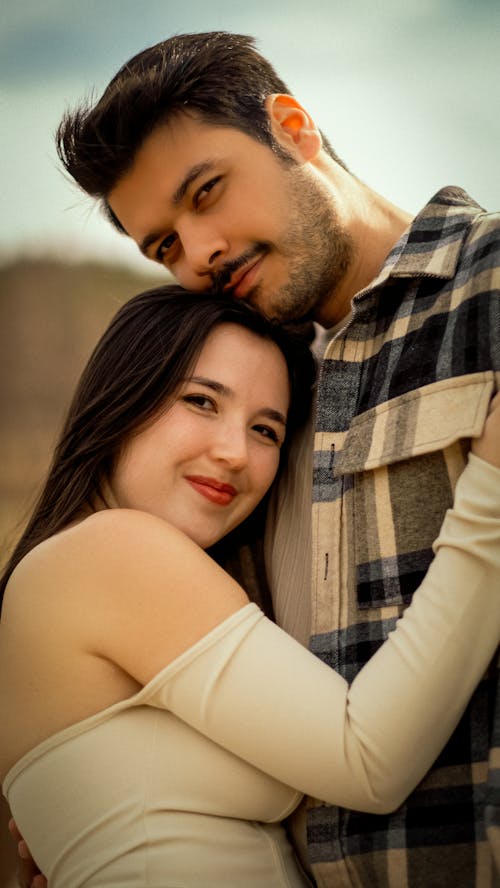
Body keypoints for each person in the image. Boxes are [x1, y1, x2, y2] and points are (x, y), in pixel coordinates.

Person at [16, 31, 500, 886]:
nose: (197, 251)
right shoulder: (267, 393)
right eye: (164, 246)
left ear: (293, 127)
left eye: (206, 192)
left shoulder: (489, 289)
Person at [2, 284, 500, 888]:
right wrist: (490, 502)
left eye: (266, 430)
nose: (236, 452)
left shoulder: (65, 573)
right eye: (201, 401)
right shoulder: (109, 550)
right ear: (122, 397)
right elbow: (368, 759)